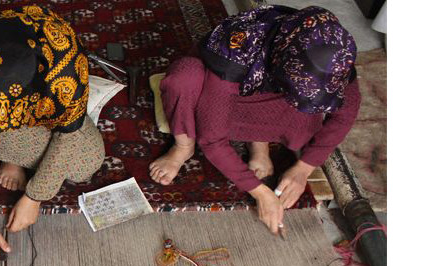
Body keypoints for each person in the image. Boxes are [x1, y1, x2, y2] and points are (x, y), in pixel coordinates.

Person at [149, 5, 360, 234]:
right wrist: (260, 192)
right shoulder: (236, 51)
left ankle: (258, 143)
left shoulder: (336, 58)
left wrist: (304, 168)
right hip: (216, 87)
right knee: (184, 78)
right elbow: (212, 139)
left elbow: (344, 116)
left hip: (263, 88)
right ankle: (183, 146)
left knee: (307, 119)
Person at [0, 5, 105, 258]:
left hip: (42, 112)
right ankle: (11, 156)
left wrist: (35, 197)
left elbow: (68, 135)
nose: (2, 120)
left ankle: (13, 153)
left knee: (87, 163)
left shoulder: (66, 68)